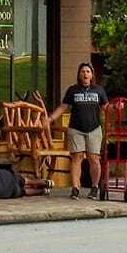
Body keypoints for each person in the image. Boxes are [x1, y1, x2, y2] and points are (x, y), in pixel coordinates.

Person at [49, 61, 106, 199]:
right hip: (76, 128)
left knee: (94, 159)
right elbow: (63, 107)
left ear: (92, 75)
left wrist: (117, 109)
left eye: (87, 71)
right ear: (79, 75)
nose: (85, 74)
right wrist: (50, 118)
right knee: (77, 157)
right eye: (82, 72)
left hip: (94, 129)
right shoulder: (73, 90)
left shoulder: (98, 90)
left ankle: (94, 186)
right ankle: (75, 187)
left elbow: (106, 107)